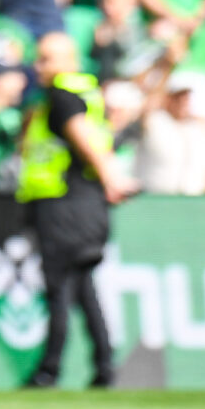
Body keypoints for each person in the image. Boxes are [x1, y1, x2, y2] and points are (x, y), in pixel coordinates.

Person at [17, 32, 133, 389]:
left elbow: (82, 136)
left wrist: (112, 176)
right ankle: (104, 366)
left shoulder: (62, 96)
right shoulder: (85, 93)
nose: (39, 66)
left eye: (47, 59)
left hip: (64, 204)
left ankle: (48, 371)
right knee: (83, 287)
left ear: (70, 61)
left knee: (59, 289)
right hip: (84, 203)